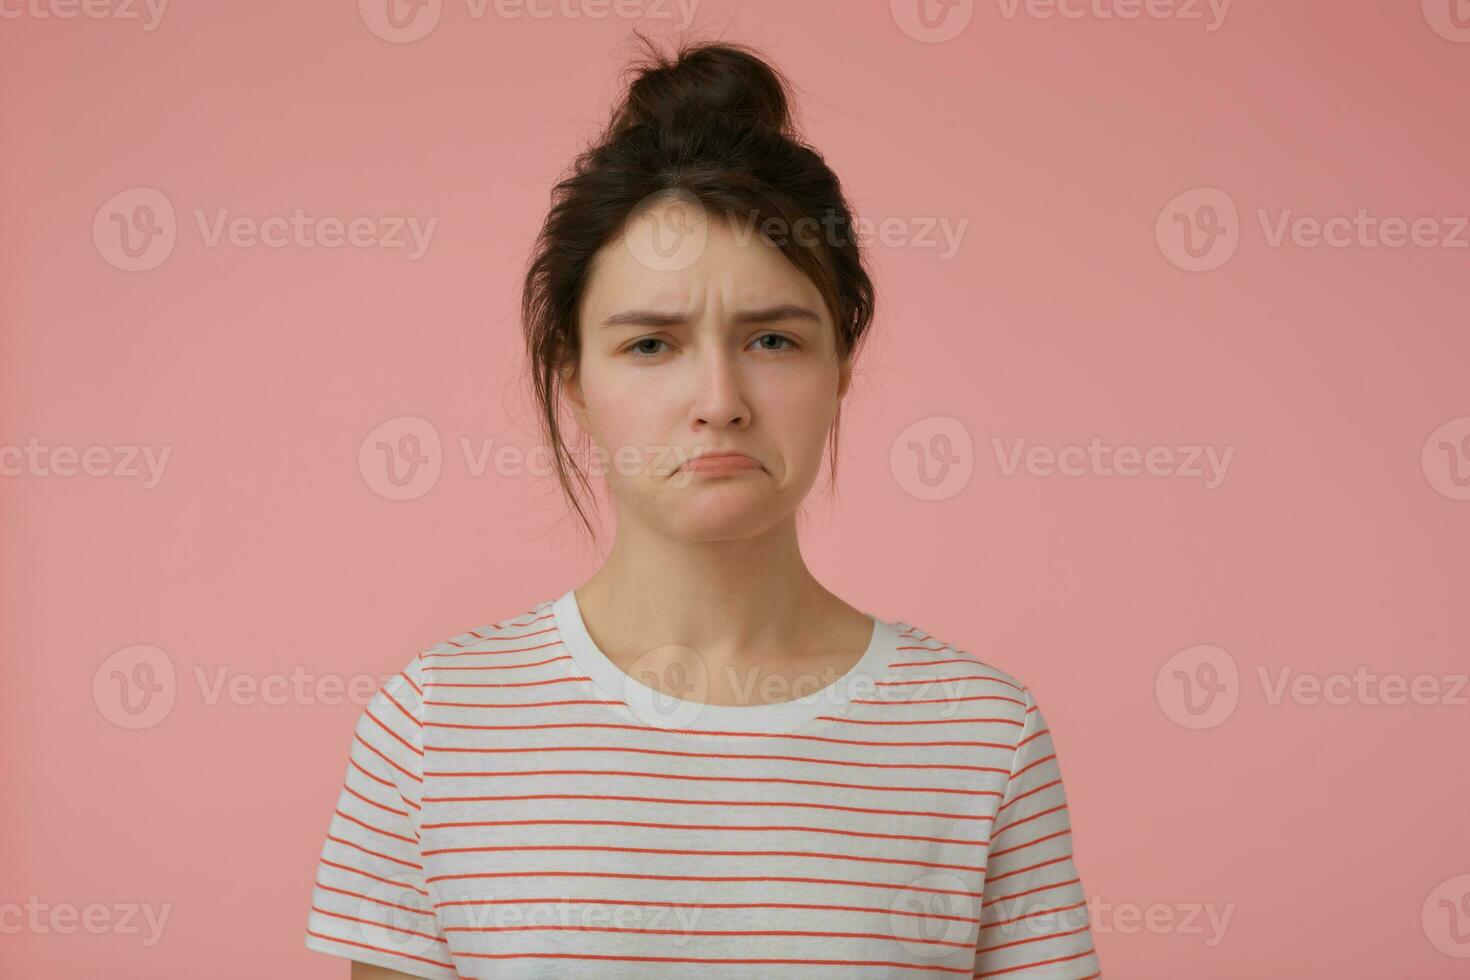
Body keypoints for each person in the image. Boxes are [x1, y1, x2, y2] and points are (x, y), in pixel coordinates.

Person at [304, 35, 1101, 980]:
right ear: (573, 376)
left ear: (842, 368)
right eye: (652, 345)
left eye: (771, 338)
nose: (719, 398)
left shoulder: (979, 733)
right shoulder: (436, 725)